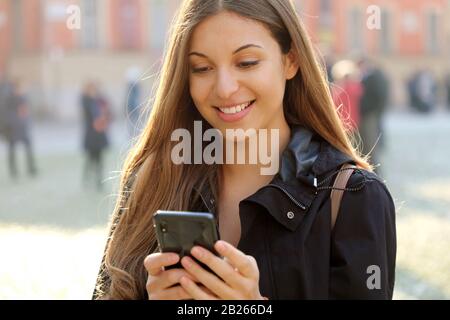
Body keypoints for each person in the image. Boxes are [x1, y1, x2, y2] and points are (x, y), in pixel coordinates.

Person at [93, 0, 396, 300]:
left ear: (290, 60)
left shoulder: (355, 199)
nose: (224, 88)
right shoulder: (150, 181)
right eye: (201, 68)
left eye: (247, 62)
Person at [358, 58, 389, 174]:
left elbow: (379, 96)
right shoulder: (369, 76)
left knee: (370, 143)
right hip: (368, 114)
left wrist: (375, 111)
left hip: (370, 114)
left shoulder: (373, 77)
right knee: (367, 142)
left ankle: (374, 170)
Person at [81, 82, 110, 191]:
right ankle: (87, 178)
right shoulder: (87, 102)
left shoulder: (96, 101)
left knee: (99, 159)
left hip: (98, 135)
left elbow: (105, 113)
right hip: (92, 135)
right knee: (90, 158)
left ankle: (98, 180)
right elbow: (93, 117)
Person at [5, 79, 37, 179]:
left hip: (23, 127)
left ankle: (31, 168)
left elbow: (26, 112)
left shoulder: (24, 98)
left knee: (28, 147)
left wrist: (26, 121)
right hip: (13, 128)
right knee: (12, 149)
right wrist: (14, 121)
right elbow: (6, 113)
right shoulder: (9, 99)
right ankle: (13, 171)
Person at [331, 60, 363, 133]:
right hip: (354, 119)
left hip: (342, 119)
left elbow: (334, 102)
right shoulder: (356, 87)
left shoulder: (338, 88)